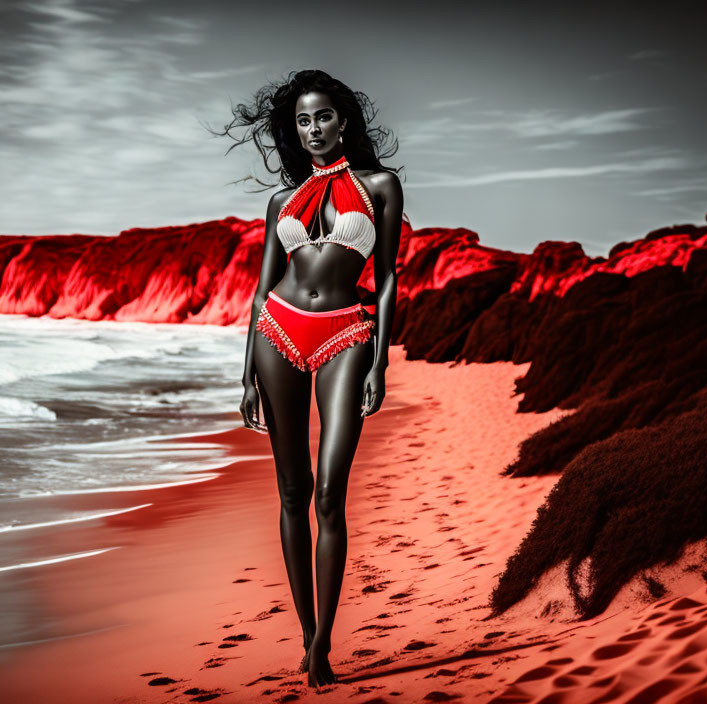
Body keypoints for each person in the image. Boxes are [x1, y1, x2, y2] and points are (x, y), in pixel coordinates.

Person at [215, 69, 403, 687]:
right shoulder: (281, 202)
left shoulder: (380, 185)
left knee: (329, 492)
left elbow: (390, 276)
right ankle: (307, 637)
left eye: (322, 116)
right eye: (302, 120)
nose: (313, 128)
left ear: (342, 119)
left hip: (347, 333)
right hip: (278, 331)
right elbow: (261, 288)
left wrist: (379, 361)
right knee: (292, 492)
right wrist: (247, 377)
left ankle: (324, 641)